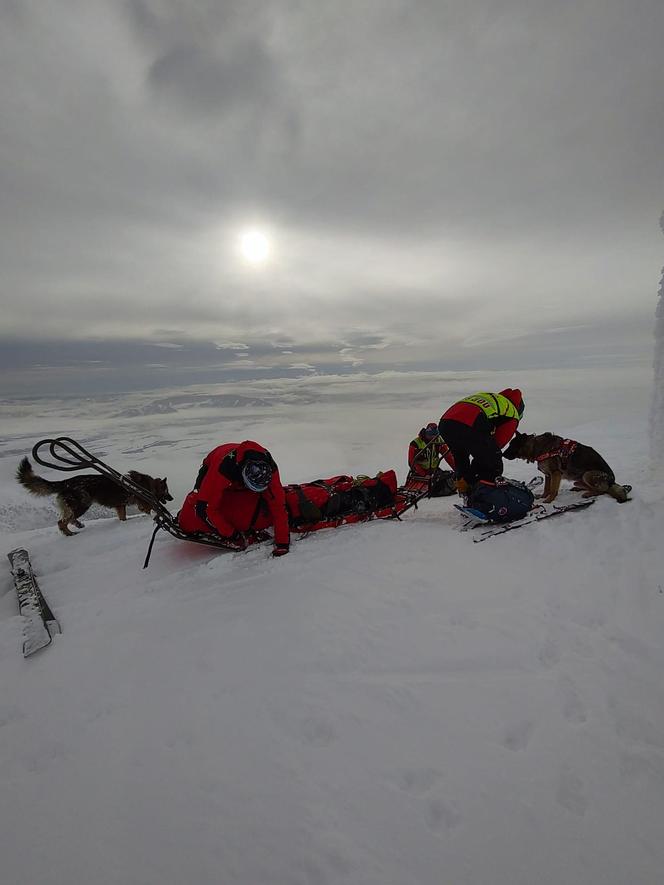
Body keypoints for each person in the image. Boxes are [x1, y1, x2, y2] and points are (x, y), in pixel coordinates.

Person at [177, 441, 290, 556]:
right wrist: (231, 534)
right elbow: (206, 508)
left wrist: (282, 543)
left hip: (237, 467)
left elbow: (279, 506)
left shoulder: (270, 469)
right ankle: (185, 513)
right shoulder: (223, 469)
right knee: (201, 501)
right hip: (214, 463)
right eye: (252, 487)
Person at [438, 389, 524, 494]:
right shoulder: (511, 412)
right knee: (493, 461)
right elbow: (498, 443)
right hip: (470, 423)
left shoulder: (493, 398)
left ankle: (464, 488)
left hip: (445, 423)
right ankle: (485, 494)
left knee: (461, 457)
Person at [406, 423, 456, 496]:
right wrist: (423, 474)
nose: (433, 438)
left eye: (434, 436)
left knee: (448, 482)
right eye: (430, 435)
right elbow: (411, 462)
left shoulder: (439, 441)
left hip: (434, 471)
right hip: (419, 473)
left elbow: (448, 456)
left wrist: (457, 469)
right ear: (426, 433)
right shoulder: (415, 444)